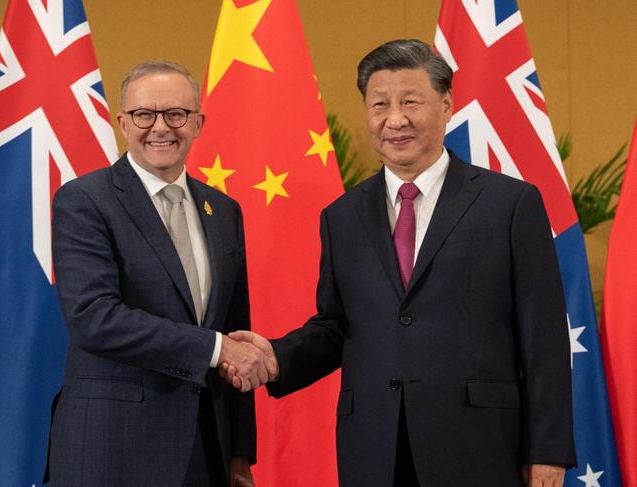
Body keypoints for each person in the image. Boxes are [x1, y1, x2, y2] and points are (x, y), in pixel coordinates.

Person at [222, 40, 576, 487]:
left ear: (446, 105)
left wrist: (548, 451)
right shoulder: (342, 216)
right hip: (375, 446)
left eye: (411, 101)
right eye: (380, 104)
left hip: (481, 444)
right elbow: (336, 327)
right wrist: (276, 358)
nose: (395, 119)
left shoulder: (510, 204)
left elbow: (542, 335)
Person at [47, 61, 273, 487]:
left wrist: (240, 452)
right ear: (121, 122)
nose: (160, 128)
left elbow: (235, 330)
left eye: (176, 114)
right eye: (144, 115)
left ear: (198, 122)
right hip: (112, 449)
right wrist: (215, 348)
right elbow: (95, 318)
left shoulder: (223, 211)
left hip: (206, 449)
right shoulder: (84, 201)